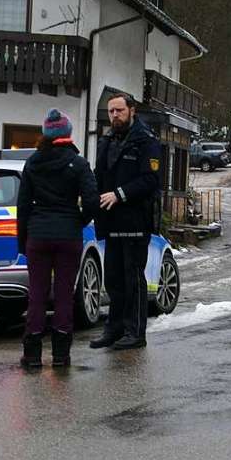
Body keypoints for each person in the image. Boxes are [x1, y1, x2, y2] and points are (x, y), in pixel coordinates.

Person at [16, 109, 99, 368]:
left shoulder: (33, 162)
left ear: (46, 134)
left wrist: (24, 240)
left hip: (38, 236)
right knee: (64, 294)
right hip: (68, 235)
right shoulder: (78, 163)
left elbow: (22, 206)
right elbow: (92, 201)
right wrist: (79, 220)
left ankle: (32, 355)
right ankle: (61, 355)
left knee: (37, 295)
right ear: (68, 133)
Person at [90, 93, 160, 351]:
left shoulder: (146, 141)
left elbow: (150, 180)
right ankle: (114, 328)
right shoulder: (107, 140)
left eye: (119, 110)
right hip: (111, 221)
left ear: (132, 111)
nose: (115, 115)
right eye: (111, 111)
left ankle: (135, 331)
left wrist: (120, 194)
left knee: (133, 278)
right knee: (113, 279)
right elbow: (99, 175)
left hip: (134, 219)